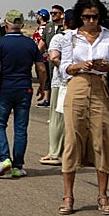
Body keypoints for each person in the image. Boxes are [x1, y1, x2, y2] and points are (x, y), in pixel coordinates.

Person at [56, 0, 109, 216]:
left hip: (100, 87)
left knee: (102, 139)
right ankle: (68, 196)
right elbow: (63, 66)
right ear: (79, 17)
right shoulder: (70, 37)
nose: (91, 21)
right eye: (86, 17)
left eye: (94, 16)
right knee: (73, 140)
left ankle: (103, 196)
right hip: (77, 85)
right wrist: (78, 66)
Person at [0, 10, 47, 179]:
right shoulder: (30, 44)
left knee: (0, 124)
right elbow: (41, 68)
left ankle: (5, 158)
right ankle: (18, 165)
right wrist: (42, 87)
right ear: (21, 25)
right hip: (24, 88)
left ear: (6, 25)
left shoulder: (0, 43)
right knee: (21, 128)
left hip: (6, 87)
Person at [41, 10, 75, 166]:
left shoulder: (60, 38)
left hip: (61, 81)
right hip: (79, 82)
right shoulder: (84, 39)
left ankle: (54, 153)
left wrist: (66, 71)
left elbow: (54, 58)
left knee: (57, 118)